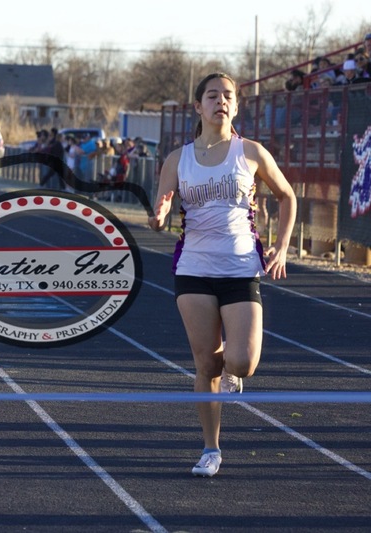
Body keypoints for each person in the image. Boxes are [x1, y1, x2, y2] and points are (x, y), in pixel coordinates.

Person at [148, 72, 296, 478]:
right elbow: (159, 214)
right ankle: (210, 448)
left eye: (228, 96)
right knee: (205, 366)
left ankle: (234, 372)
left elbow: (287, 196)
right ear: (198, 106)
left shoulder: (250, 152)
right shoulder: (178, 159)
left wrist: (282, 247)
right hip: (193, 268)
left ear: (236, 105)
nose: (221, 101)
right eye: (212, 95)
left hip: (240, 267)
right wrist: (158, 218)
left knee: (241, 362)